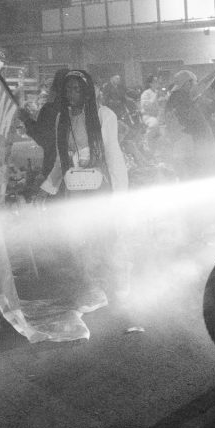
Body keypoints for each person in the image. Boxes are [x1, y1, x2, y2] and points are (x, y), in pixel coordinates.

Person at [39, 70, 130, 300]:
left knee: (104, 235)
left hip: (99, 188)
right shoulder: (63, 117)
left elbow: (112, 153)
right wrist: (47, 187)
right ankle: (91, 286)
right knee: (79, 236)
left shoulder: (103, 115)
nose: (72, 94)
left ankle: (117, 283)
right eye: (68, 89)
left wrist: (120, 193)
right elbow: (62, 158)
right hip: (75, 188)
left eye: (77, 89)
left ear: (87, 90)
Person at [19, 68, 69, 181]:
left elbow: (43, 138)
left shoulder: (50, 109)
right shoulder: (85, 109)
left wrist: (26, 120)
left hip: (55, 169)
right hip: (82, 170)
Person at [161, 70, 212, 179]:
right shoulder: (181, 98)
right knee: (192, 175)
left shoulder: (177, 97)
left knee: (187, 176)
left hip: (181, 143)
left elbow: (200, 88)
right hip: (187, 143)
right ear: (188, 83)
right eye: (194, 83)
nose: (195, 86)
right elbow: (200, 88)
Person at [139, 74, 164, 153]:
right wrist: (155, 96)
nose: (157, 83)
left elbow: (163, 105)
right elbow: (146, 106)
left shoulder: (159, 92)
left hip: (159, 116)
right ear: (150, 83)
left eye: (157, 81)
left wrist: (164, 99)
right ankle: (146, 143)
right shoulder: (146, 93)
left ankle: (160, 153)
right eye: (155, 81)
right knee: (154, 124)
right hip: (148, 116)